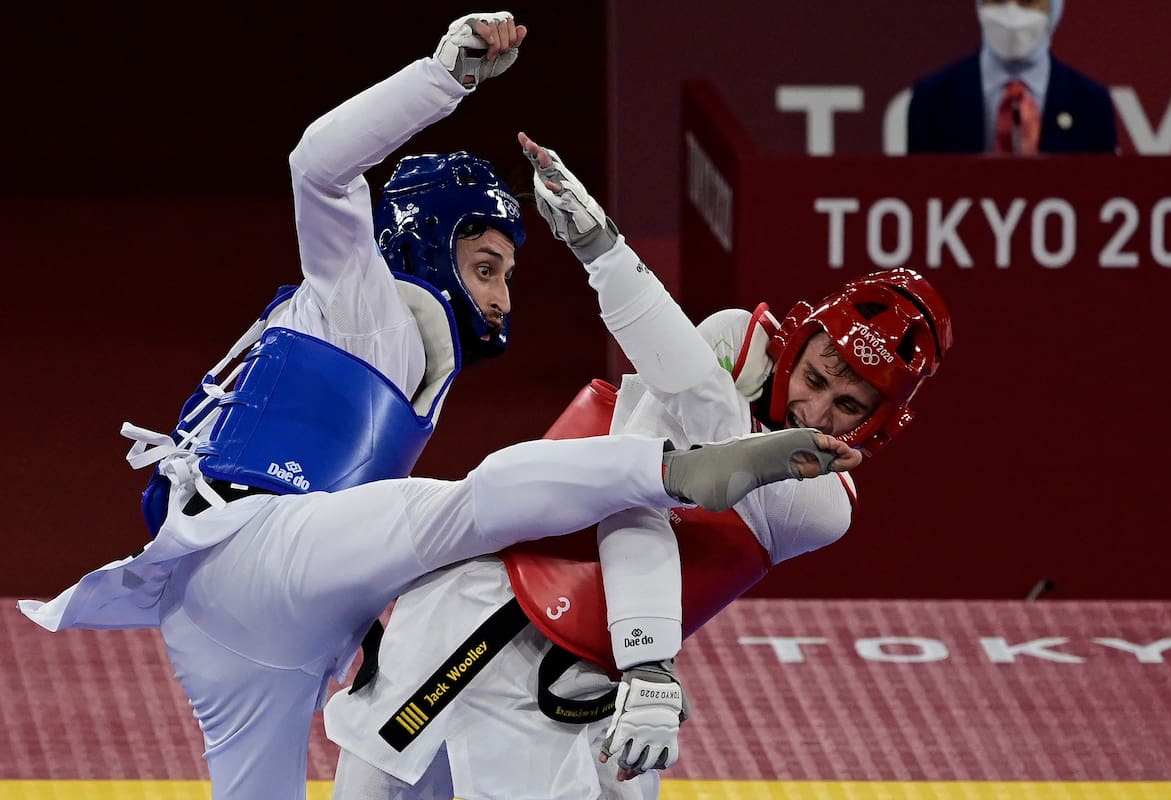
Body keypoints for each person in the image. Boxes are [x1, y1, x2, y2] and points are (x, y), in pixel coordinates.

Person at [15, 13, 848, 800]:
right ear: (421, 236)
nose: (500, 298)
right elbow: (318, 165)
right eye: (485, 266)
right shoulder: (360, 290)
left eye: (507, 277)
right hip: (261, 547)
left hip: (240, 626)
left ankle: (670, 473)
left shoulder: (404, 346)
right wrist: (443, 76)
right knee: (472, 503)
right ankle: (684, 471)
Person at [321, 134, 953, 799]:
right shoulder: (732, 341)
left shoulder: (821, 508)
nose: (813, 409)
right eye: (817, 376)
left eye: (847, 405)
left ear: (877, 426)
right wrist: (651, 661)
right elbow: (634, 486)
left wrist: (604, 252)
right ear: (796, 341)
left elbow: (708, 420)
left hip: (596, 686)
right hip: (487, 606)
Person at [907, 0, 1116, 155]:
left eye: (1028, 2)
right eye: (998, 0)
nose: (1011, 14)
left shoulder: (1091, 103)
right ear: (980, 5)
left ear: (1054, 8)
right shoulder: (932, 99)